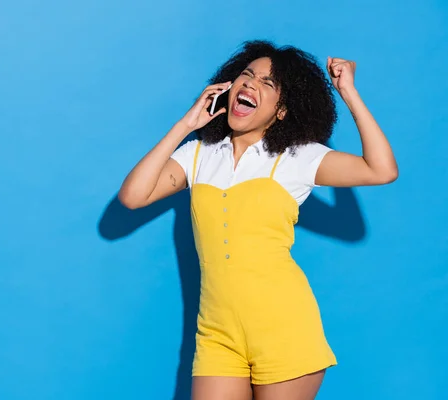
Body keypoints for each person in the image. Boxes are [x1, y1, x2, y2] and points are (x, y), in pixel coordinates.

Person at [118, 40, 398, 400]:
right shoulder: (199, 153)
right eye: (246, 75)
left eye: (267, 83)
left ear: (282, 111)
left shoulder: (297, 158)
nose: (250, 84)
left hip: (284, 329)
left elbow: (381, 169)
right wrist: (186, 124)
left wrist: (348, 92)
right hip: (217, 334)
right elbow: (132, 196)